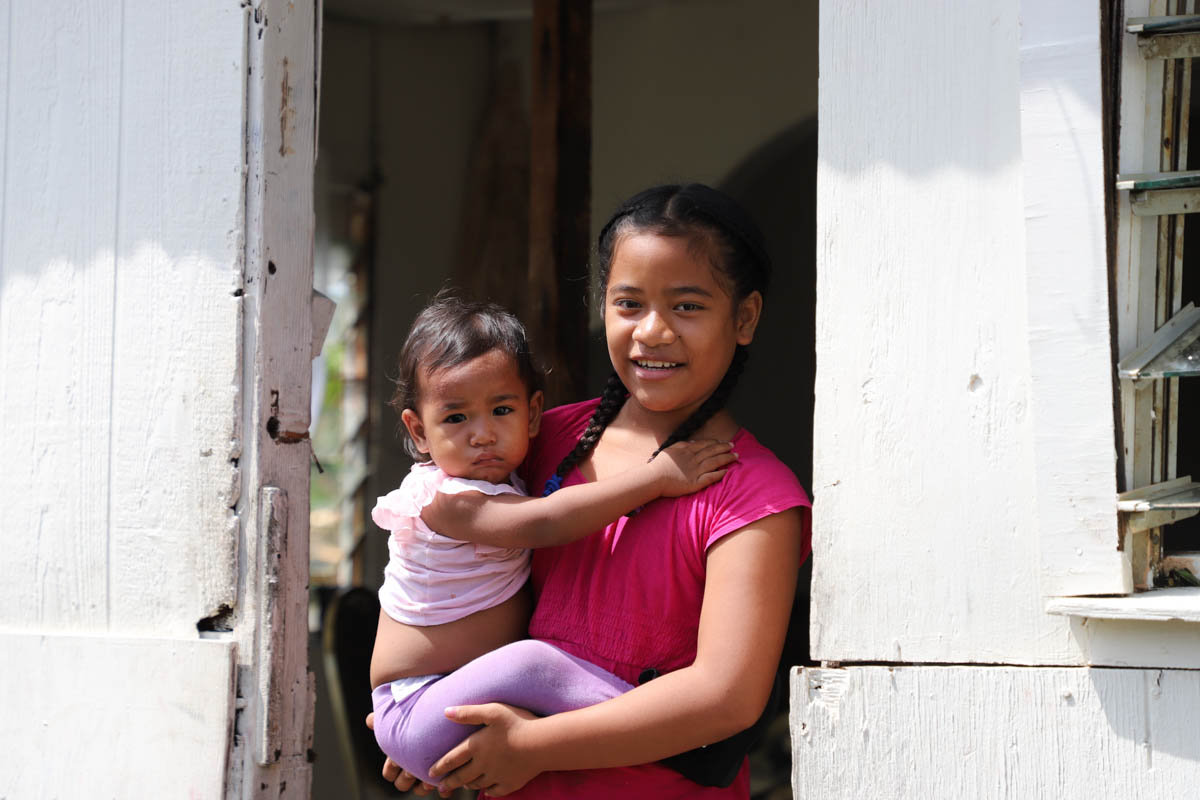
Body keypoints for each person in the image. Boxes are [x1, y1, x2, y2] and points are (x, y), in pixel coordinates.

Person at [378, 183, 812, 799]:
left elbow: (725, 698)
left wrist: (527, 746)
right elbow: (440, 569)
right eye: (629, 303)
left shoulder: (752, 497)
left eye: (687, 306)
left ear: (744, 318)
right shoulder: (540, 440)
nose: (653, 332)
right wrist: (433, 719)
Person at [369, 295, 739, 786]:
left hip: (455, 697)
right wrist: (657, 478)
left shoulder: (511, 477)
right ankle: (678, 738)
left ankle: (665, 727)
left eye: (501, 410)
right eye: (456, 418)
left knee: (532, 661)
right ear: (419, 431)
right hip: (414, 703)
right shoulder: (447, 499)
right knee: (535, 660)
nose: (482, 434)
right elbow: (545, 523)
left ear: (533, 413)